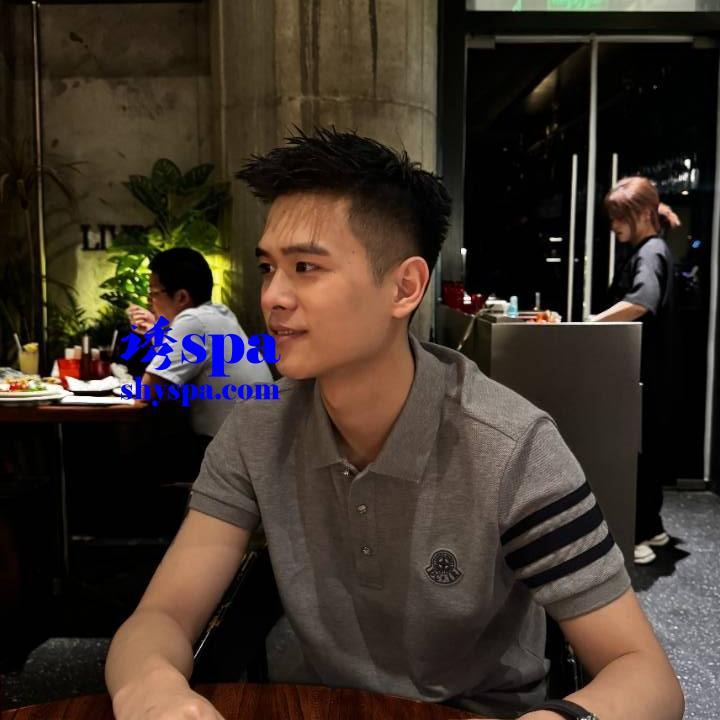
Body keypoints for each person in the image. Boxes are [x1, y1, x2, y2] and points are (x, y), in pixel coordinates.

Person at [106, 130, 684, 720]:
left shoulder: (511, 446)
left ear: (405, 287)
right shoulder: (258, 430)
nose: (273, 296)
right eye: (267, 267)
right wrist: (152, 690)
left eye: (305, 267)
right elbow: (162, 616)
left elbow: (646, 676)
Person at [591, 177, 680, 566]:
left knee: (637, 452)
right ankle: (653, 527)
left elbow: (643, 300)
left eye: (619, 217)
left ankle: (637, 537)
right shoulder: (653, 249)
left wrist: (592, 322)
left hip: (646, 371)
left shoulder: (650, 251)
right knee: (647, 449)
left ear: (643, 214)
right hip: (654, 371)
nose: (613, 225)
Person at [126, 247, 274, 439]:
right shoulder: (218, 313)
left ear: (181, 297)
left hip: (237, 447)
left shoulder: (193, 321)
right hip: (257, 440)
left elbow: (148, 390)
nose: (150, 301)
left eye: (154, 293)